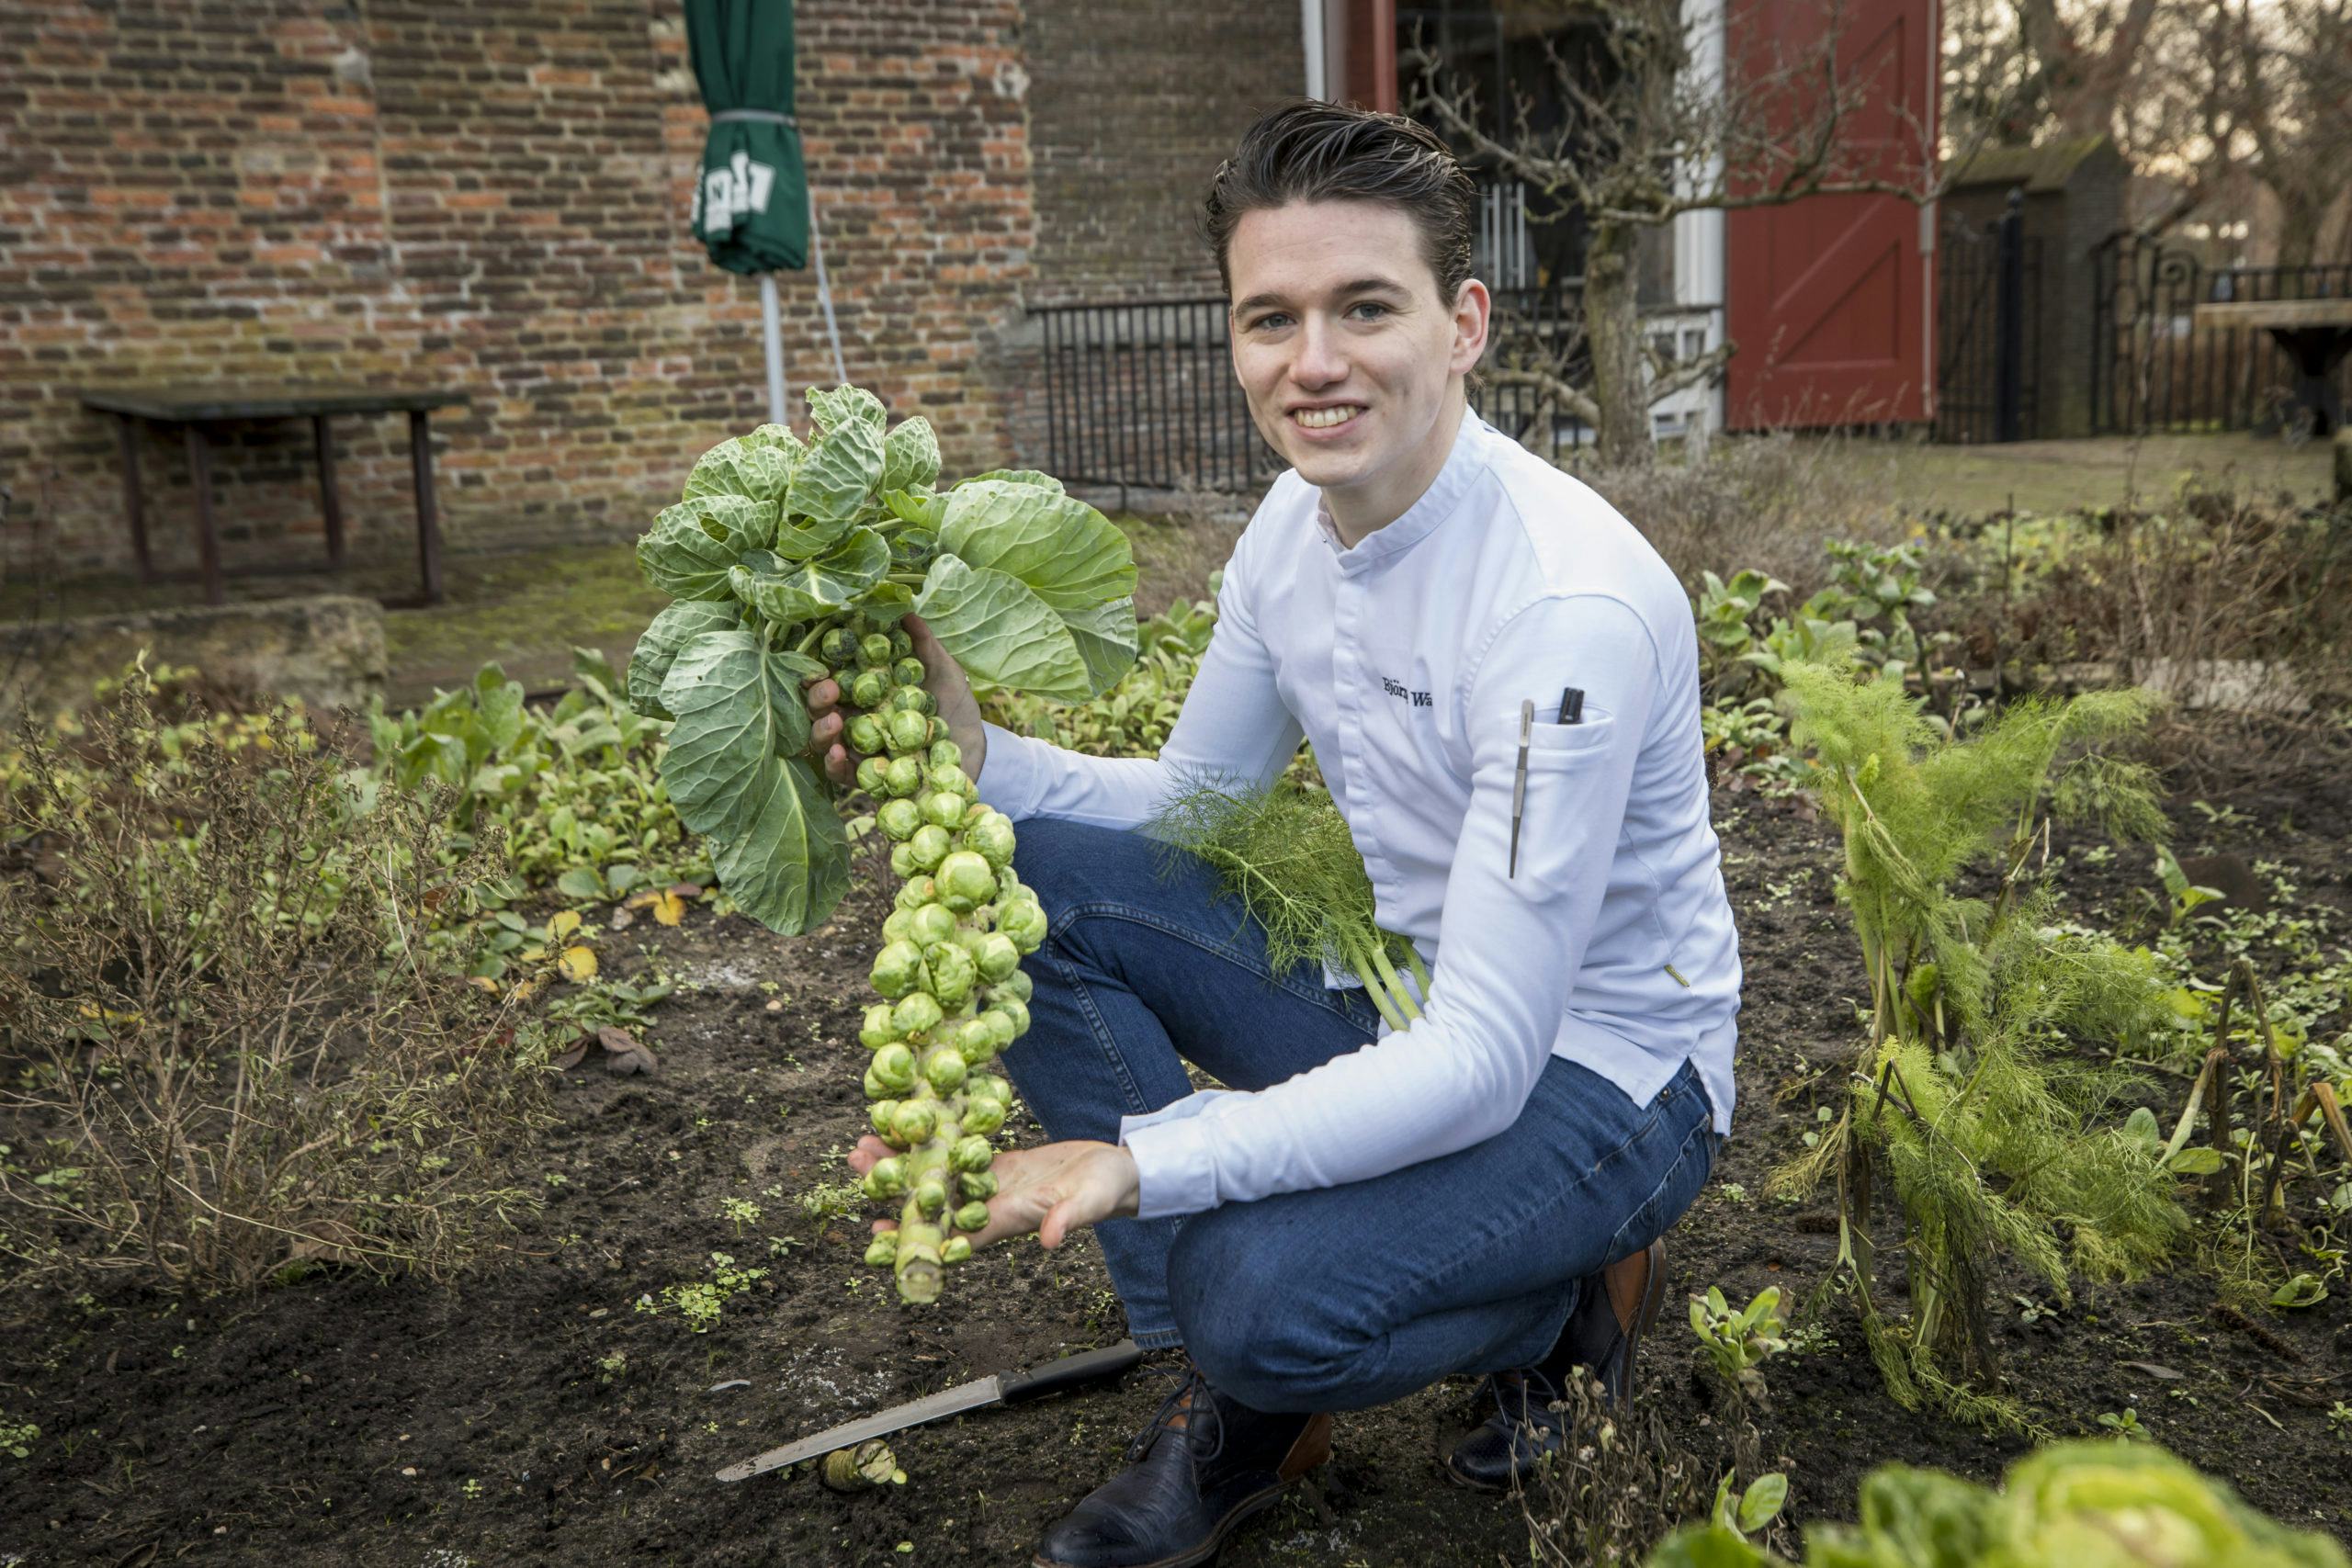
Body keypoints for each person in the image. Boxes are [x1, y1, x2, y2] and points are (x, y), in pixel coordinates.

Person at [806, 100, 1740, 1568]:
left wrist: (1143, 1159)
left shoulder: (1565, 611)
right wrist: (982, 760)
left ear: (1465, 322)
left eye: (1366, 307)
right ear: (1235, 336)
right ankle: (1242, 1391)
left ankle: (1566, 1299)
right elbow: (1198, 814)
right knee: (1031, 881)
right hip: (1407, 989)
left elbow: (1492, 1056)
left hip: (1602, 1069)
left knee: (1253, 1281)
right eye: (1271, 318)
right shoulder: (1290, 536)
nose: (1314, 364)